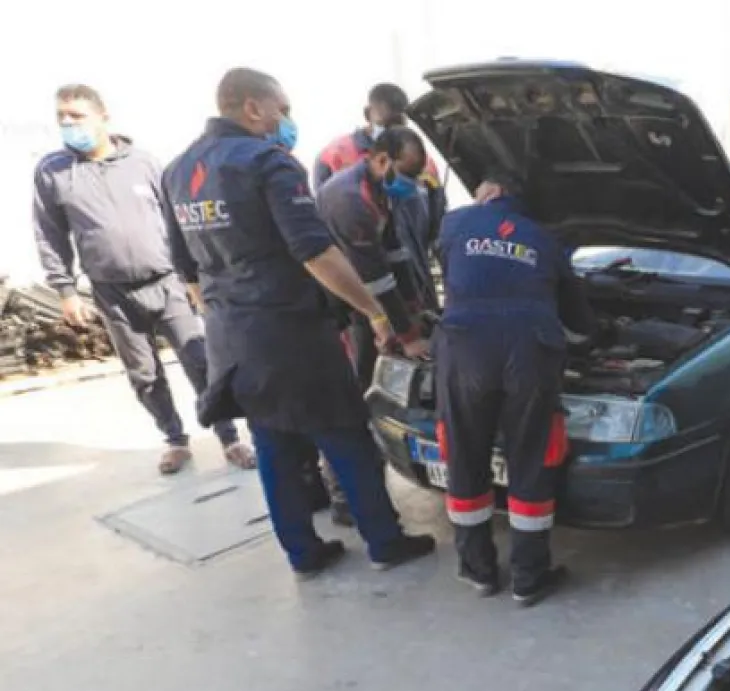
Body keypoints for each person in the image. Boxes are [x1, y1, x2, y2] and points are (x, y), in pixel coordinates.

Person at [161, 67, 435, 577]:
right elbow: (316, 255)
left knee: (273, 441)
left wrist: (227, 311)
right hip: (290, 331)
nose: (286, 119)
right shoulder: (268, 163)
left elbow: (188, 271)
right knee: (344, 432)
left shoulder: (178, 170)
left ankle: (303, 553)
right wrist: (374, 313)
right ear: (253, 108)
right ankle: (384, 540)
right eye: (281, 108)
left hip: (232, 335)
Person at [32, 84, 256, 475]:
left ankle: (229, 437)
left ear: (103, 117)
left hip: (167, 281)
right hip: (111, 291)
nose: (68, 125)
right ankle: (174, 440)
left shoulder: (144, 163)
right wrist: (65, 290)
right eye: (62, 118)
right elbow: (49, 233)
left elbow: (177, 221)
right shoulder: (53, 173)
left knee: (200, 360)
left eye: (77, 116)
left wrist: (195, 276)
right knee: (144, 374)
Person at [433, 175, 599, 606]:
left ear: (487, 194)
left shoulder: (454, 224)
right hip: (530, 355)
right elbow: (581, 322)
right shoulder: (546, 238)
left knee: (464, 456)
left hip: (464, 351)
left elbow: (448, 271)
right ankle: (529, 578)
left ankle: (478, 570)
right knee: (531, 459)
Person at [313, 125, 435, 526]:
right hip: (342, 308)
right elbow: (375, 277)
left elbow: (396, 252)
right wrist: (407, 334)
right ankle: (346, 497)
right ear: (382, 160)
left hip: (367, 302)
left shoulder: (380, 188)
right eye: (407, 173)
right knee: (355, 398)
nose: (412, 185)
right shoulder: (350, 200)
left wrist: (416, 307)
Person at [313, 82, 447, 292]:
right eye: (387, 122)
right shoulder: (335, 155)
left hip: (414, 276)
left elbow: (438, 227)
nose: (392, 130)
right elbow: (326, 230)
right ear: (368, 113)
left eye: (399, 123)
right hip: (361, 283)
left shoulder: (421, 163)